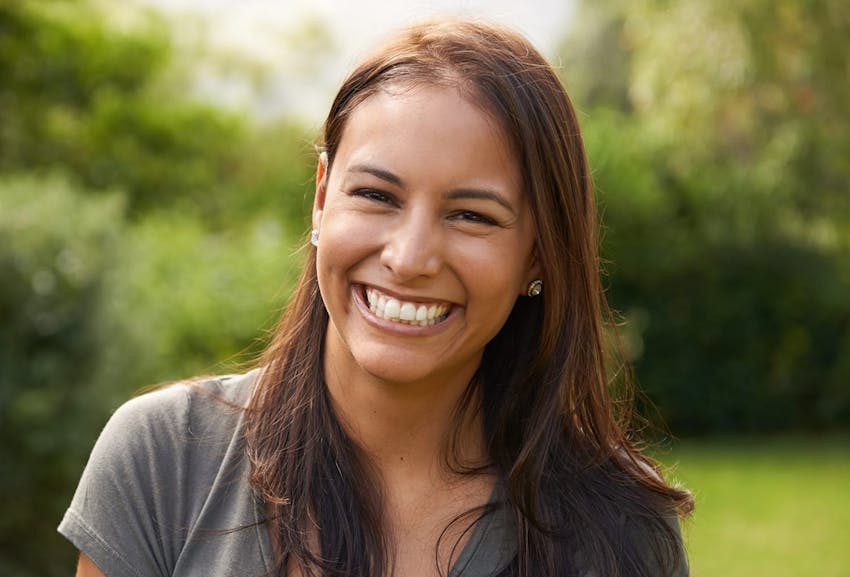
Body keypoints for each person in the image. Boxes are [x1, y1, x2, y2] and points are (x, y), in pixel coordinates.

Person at [59, 19, 693, 577]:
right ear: (321, 196)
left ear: (538, 253)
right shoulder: (164, 461)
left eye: (471, 215)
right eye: (377, 196)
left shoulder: (622, 533)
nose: (409, 258)